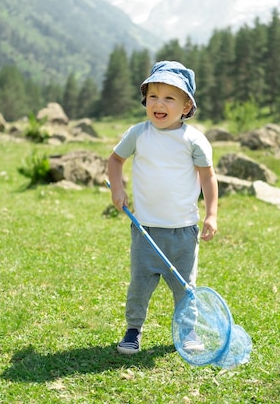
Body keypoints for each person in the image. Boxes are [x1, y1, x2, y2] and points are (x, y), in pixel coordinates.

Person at [107, 60, 219, 355]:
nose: (159, 103)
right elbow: (115, 160)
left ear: (186, 106)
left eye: (169, 97)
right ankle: (133, 330)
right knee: (140, 286)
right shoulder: (138, 133)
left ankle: (187, 330)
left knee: (185, 288)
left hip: (183, 232)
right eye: (153, 96)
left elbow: (208, 176)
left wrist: (211, 214)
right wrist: (117, 188)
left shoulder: (194, 140)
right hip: (145, 229)